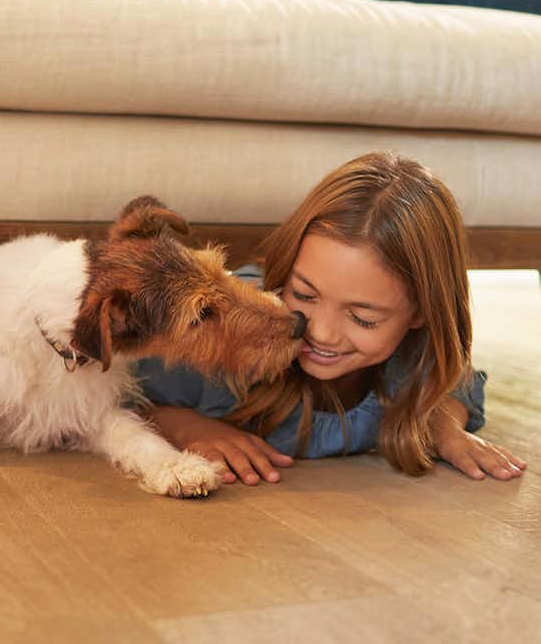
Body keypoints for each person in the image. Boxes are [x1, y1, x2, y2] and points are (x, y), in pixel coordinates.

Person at [138, 152, 527, 485]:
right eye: (304, 295)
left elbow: (460, 381)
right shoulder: (219, 331)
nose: (319, 333)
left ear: (422, 314)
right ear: (286, 267)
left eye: (363, 318)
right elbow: (113, 396)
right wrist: (185, 426)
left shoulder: (415, 358)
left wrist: (441, 423)